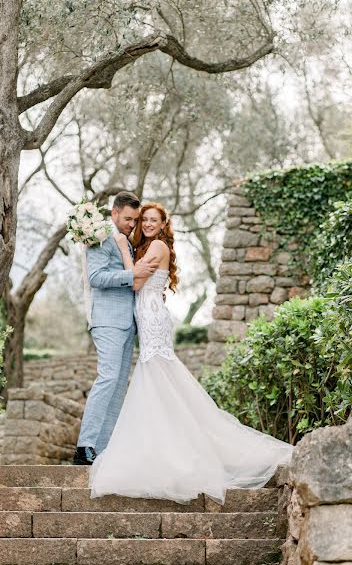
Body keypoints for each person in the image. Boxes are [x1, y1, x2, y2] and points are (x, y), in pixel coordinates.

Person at [89, 202, 293, 504]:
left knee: (157, 375)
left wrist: (120, 246)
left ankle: (177, 444)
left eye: (152, 220)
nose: (146, 224)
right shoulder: (148, 246)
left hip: (152, 318)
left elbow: (135, 282)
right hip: (147, 316)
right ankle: (163, 443)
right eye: (143, 219)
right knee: (157, 378)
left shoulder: (157, 246)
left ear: (162, 224)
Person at [73, 191, 158, 466]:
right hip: (107, 320)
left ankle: (102, 449)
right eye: (128, 219)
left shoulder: (127, 241)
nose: (131, 225)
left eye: (135, 220)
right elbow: (96, 277)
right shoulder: (100, 237)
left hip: (127, 323)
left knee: (119, 386)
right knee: (107, 378)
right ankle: (84, 446)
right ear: (114, 213)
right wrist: (132, 275)